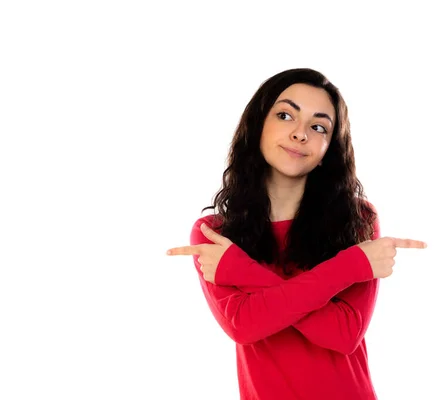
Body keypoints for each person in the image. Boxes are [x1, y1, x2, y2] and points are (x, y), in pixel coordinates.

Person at [166, 68, 427, 399]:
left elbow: (344, 333)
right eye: (286, 115)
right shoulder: (216, 234)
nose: (300, 133)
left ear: (327, 150)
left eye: (318, 126)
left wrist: (243, 272)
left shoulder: (357, 218)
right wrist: (353, 265)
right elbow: (244, 326)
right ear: (258, 125)